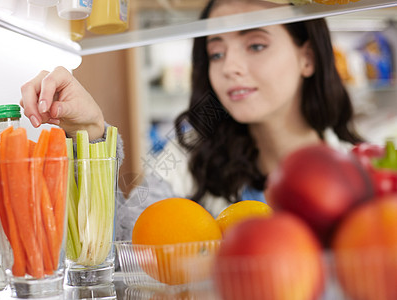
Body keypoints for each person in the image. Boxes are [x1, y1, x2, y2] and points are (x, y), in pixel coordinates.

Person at [20, 0, 363, 241]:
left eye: (255, 45)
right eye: (216, 52)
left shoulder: (362, 170)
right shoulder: (185, 156)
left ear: (308, 57)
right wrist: (91, 133)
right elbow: (123, 236)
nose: (229, 67)